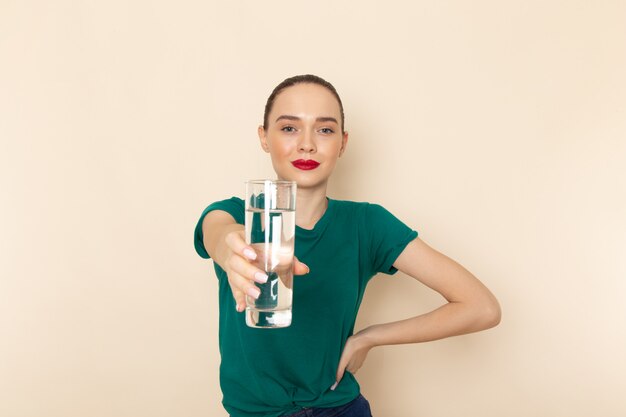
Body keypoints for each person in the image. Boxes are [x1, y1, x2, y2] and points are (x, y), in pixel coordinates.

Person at [194, 74, 501, 417]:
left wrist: (369, 337)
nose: (307, 144)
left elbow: (481, 307)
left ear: (343, 142)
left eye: (324, 129)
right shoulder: (236, 213)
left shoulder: (367, 225)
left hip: (341, 408)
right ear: (264, 138)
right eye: (289, 128)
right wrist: (231, 251)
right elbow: (218, 234)